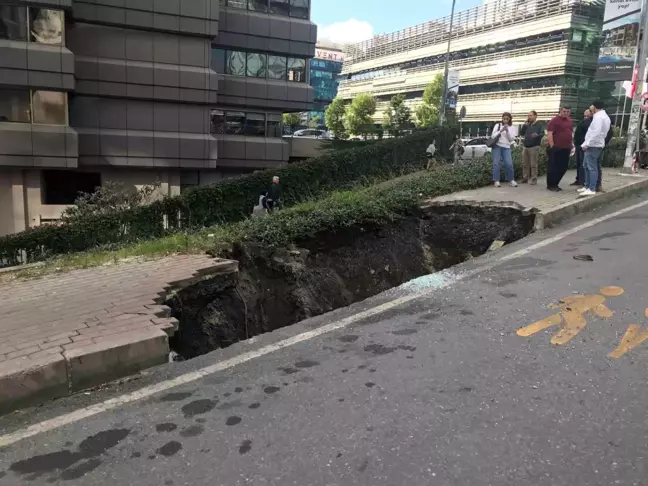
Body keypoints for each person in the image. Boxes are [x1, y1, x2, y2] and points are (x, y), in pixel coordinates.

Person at [578, 101, 611, 197]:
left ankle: (591, 188)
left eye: (591, 105)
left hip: (594, 145)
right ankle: (587, 185)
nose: (590, 107)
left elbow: (595, 132)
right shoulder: (602, 116)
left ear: (594, 107)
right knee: (586, 165)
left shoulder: (599, 117)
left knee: (591, 167)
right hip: (594, 144)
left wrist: (587, 144)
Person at [546, 106, 574, 192]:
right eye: (564, 111)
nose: (566, 113)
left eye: (567, 112)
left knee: (563, 167)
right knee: (553, 166)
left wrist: (572, 144)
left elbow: (570, 133)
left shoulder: (569, 120)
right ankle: (551, 185)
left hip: (566, 148)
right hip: (556, 147)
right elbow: (550, 133)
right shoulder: (554, 120)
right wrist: (552, 146)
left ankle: (556, 183)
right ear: (560, 111)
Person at [491, 112, 518, 187]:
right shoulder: (498, 125)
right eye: (504, 118)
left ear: (510, 119)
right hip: (497, 146)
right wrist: (501, 130)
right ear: (502, 119)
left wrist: (507, 131)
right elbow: (493, 136)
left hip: (506, 147)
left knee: (509, 164)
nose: (505, 120)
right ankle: (496, 180)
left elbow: (511, 139)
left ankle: (511, 180)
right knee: (496, 163)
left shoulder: (512, 128)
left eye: (507, 119)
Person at [519, 110, 545, 185]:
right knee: (524, 164)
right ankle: (525, 178)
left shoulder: (539, 125)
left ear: (535, 116)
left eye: (531, 115)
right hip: (525, 146)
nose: (529, 117)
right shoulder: (527, 125)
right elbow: (521, 133)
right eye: (528, 116)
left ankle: (534, 180)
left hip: (534, 146)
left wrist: (537, 135)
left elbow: (542, 133)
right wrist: (524, 125)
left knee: (533, 164)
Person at [571, 109, 593, 187]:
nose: (586, 117)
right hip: (579, 145)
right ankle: (579, 179)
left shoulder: (590, 124)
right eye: (584, 116)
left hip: (585, 146)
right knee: (579, 164)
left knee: (583, 165)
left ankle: (583, 181)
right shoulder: (583, 123)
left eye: (587, 116)